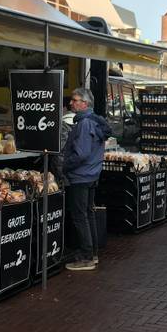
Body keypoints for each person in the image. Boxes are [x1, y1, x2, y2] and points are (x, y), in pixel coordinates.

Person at [63, 88, 111, 271]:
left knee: (80, 216)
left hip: (80, 175)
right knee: (88, 213)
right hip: (92, 173)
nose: (71, 103)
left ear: (85, 103)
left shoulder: (84, 124)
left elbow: (81, 153)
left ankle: (86, 257)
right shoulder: (94, 121)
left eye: (75, 100)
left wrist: (65, 165)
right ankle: (93, 253)